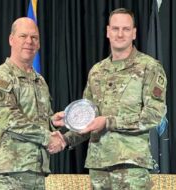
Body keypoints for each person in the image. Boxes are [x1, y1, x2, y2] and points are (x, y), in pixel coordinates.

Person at [56, 8, 167, 189]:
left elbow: (154, 115)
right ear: (108, 32)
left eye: (125, 29)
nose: (120, 34)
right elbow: (88, 119)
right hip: (99, 166)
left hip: (132, 166)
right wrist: (65, 136)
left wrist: (109, 122)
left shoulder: (150, 67)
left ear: (134, 33)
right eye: (115, 29)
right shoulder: (97, 71)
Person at [0, 17, 66, 190]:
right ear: (11, 39)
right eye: (23, 36)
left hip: (36, 173)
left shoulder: (40, 81)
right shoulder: (1, 77)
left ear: (39, 44)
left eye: (34, 37)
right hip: (7, 175)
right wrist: (47, 137)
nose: (29, 41)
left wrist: (52, 122)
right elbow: (10, 120)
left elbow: (34, 121)